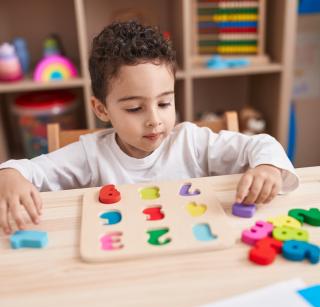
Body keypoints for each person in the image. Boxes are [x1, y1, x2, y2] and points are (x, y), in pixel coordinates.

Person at [0, 21, 298, 235]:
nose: (154, 120)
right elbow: (24, 170)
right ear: (101, 109)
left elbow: (261, 145)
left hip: (193, 255)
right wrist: (10, 177)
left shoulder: (192, 142)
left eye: (165, 103)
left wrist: (268, 168)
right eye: (134, 108)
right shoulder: (91, 155)